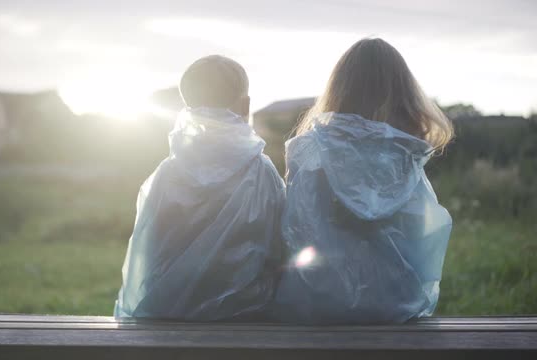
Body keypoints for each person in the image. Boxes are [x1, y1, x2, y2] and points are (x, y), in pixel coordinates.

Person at [272, 38, 454, 324]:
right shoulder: (406, 153)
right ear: (403, 93)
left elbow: (295, 228)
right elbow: (419, 242)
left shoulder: (306, 149)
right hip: (398, 303)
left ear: (338, 89)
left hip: (317, 303)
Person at [114, 55, 285, 321]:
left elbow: (149, 256)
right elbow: (279, 250)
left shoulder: (167, 173)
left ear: (187, 106)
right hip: (244, 317)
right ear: (245, 106)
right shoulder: (262, 172)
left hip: (169, 315)